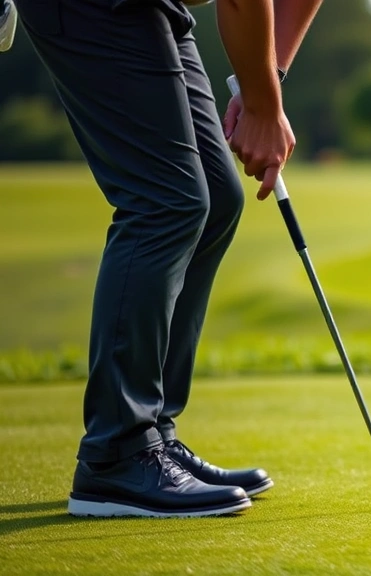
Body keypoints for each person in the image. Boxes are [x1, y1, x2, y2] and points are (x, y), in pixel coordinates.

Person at [12, 0, 322, 517]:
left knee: (218, 198)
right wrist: (264, 108)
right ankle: (116, 454)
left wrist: (263, 81)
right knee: (166, 201)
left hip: (150, 7)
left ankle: (151, 432)